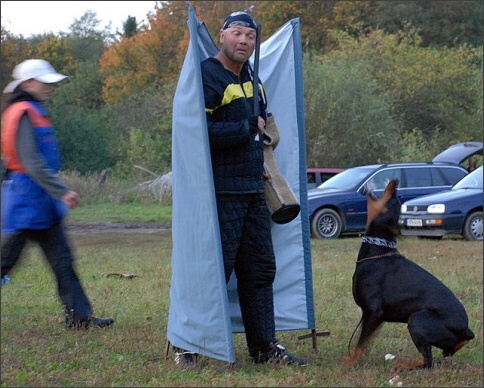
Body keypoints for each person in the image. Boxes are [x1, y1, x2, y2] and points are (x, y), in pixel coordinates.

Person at [173, 11, 308, 367]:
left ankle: (264, 348)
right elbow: (197, 134)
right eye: (237, 33)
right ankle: (190, 344)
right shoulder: (206, 75)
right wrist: (246, 126)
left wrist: (261, 131)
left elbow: (260, 130)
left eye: (250, 35)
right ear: (222, 36)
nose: (244, 41)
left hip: (252, 191)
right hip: (219, 193)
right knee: (214, 271)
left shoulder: (253, 78)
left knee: (261, 270)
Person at [1, 59, 114, 330]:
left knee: (63, 261)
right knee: (4, 262)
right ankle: (79, 316)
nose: (51, 87)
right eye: (45, 81)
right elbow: (30, 161)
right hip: (26, 202)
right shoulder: (23, 111)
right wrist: (61, 191)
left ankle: (79, 318)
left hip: (40, 203)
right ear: (28, 84)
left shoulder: (32, 109)